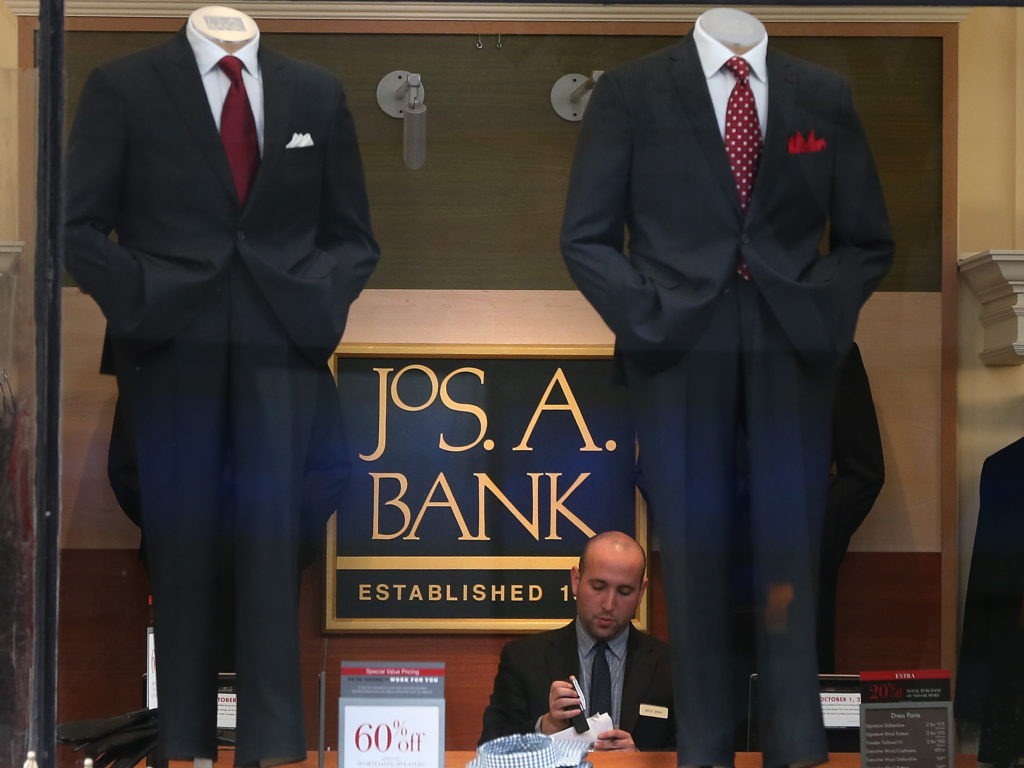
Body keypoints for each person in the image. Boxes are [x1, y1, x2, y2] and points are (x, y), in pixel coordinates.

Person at [559, 7, 894, 768]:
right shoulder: (632, 91)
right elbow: (585, 235)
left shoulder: (824, 96)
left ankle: (795, 748)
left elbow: (870, 240)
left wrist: (815, 312)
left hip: (790, 346)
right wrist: (650, 316)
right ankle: (700, 750)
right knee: (690, 556)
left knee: (793, 562)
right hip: (678, 345)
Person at [64, 6, 380, 766]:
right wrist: (148, 297)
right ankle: (185, 747)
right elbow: (76, 228)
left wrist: (313, 299)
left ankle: (272, 749)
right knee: (178, 554)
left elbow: (354, 236)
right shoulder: (123, 86)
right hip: (171, 349)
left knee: (276, 553)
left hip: (279, 346)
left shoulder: (315, 91)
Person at [480, 531, 674, 752]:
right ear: (576, 580)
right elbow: (490, 749)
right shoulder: (523, 659)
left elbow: (695, 755)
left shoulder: (670, 666)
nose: (609, 604)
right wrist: (546, 727)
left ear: (641, 592)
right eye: (598, 587)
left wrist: (637, 763)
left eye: (624, 591)